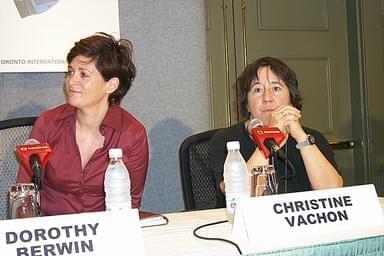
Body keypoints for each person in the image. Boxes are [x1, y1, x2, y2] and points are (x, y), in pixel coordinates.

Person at [16, 32, 149, 216]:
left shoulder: (132, 134)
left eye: (84, 74)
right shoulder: (48, 123)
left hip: (104, 232)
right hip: (52, 233)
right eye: (71, 72)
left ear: (111, 85)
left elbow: (131, 201)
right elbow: (24, 194)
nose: (72, 81)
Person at [209, 56, 343, 203]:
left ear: (291, 98)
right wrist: (271, 136)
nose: (267, 98)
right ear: (247, 104)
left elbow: (333, 193)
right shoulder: (225, 140)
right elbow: (239, 196)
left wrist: (301, 137)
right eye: (258, 90)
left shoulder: (311, 137)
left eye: (276, 88)